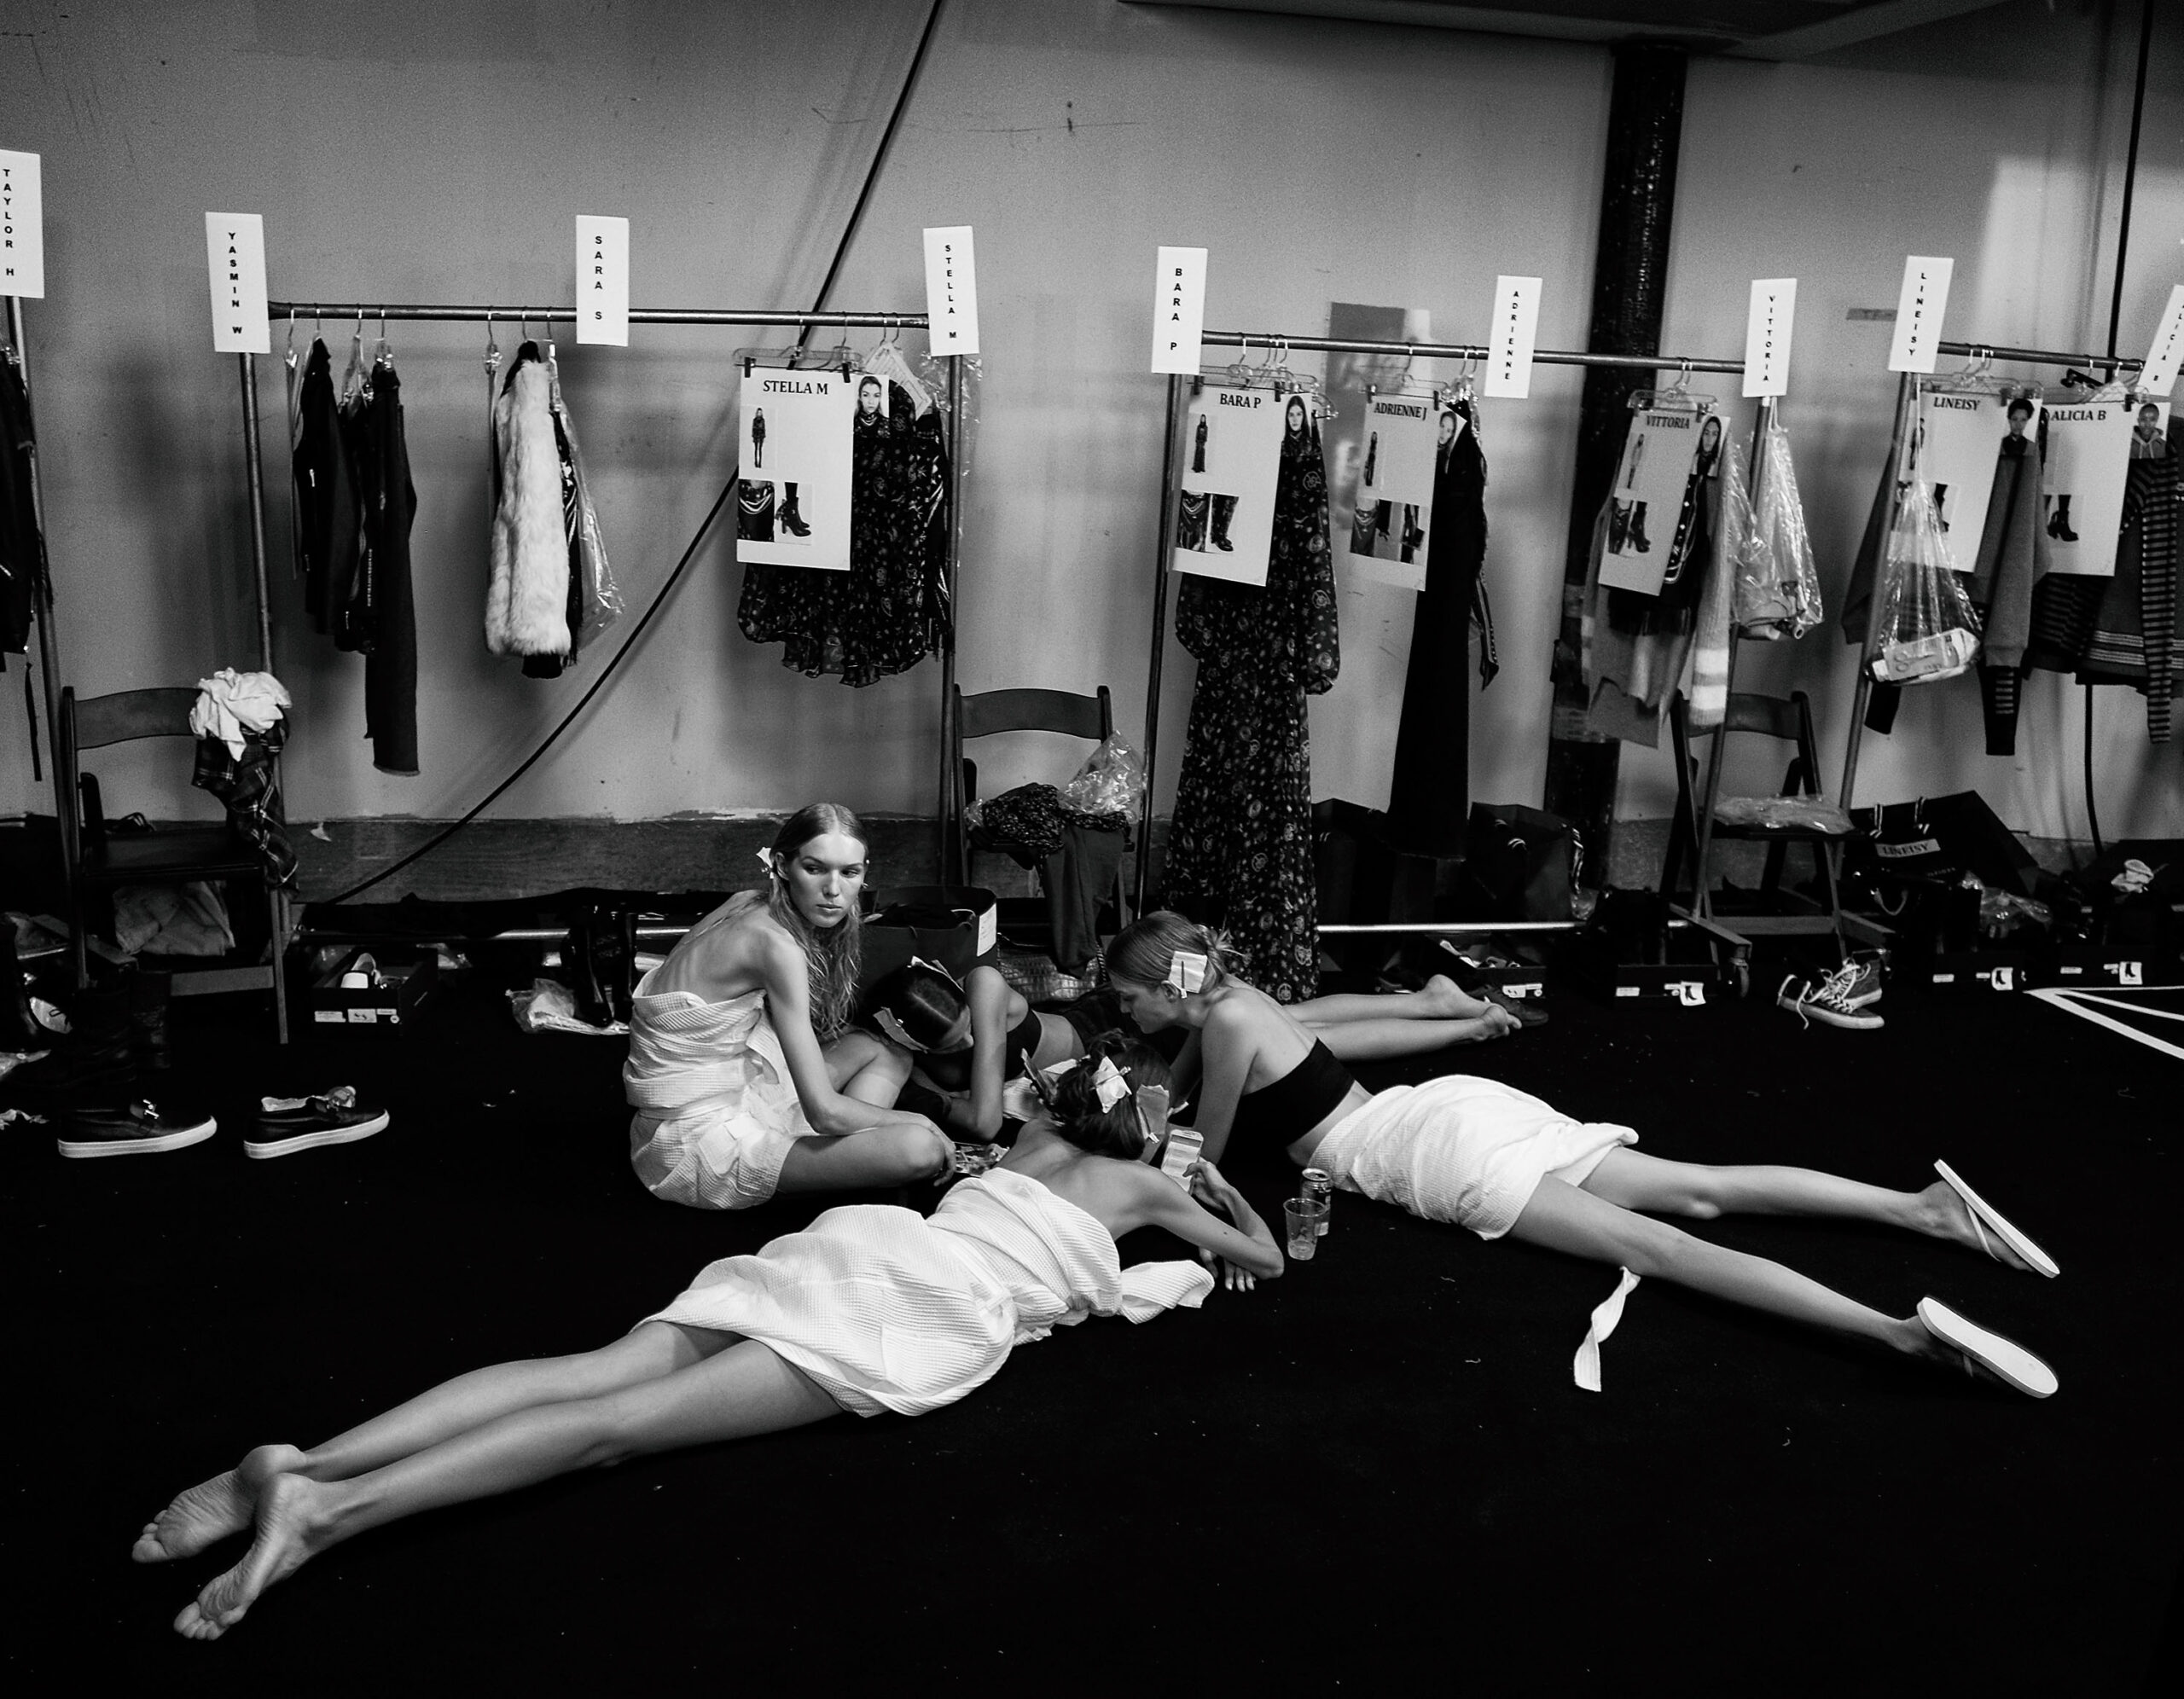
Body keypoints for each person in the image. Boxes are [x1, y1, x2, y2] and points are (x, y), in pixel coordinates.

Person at [133, 1033, 1283, 1641]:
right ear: (1149, 1136)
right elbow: (1268, 1260)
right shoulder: (1150, 1191)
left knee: (589, 1372)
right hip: (914, 1308)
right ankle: (323, 1513)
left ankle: (305, 1462)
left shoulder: (1030, 1139)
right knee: (615, 1431)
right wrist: (1215, 1194)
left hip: (861, 1244)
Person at [1103, 911, 2062, 1397]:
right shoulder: (1235, 1003)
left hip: (1426, 1155)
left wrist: (1185, 1206)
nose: (1124, 1018)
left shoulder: (1219, 1025)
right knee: (1700, 1193)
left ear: (1166, 987)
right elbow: (1176, 1077)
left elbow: (1200, 1148)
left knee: (1661, 1250)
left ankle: (1895, 1332)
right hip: (1449, 1108)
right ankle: (1923, 1209)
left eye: (1126, 1001)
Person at [624, 803, 951, 1209]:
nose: (834, 891)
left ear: (864, 873)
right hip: (696, 1147)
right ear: (782, 865)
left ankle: (843, 1159)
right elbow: (825, 1115)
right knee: (921, 1148)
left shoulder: (746, 900)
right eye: (814, 869)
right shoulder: (777, 947)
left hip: (732, 1090)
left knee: (886, 1054)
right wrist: (915, 1120)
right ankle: (845, 1163)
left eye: (849, 873)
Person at [871, 955, 1514, 1144]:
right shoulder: (899, 1038)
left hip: (1107, 1035)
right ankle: (1433, 1004)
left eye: (972, 1030)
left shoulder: (980, 987)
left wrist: (927, 1098)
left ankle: (1456, 1021)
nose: (978, 1044)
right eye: (958, 1044)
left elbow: (982, 1121)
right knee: (1283, 1023)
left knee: (1285, 1034)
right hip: (1102, 1053)